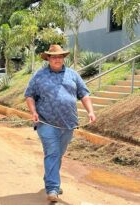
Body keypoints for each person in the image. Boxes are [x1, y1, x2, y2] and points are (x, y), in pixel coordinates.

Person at [24, 45, 96, 202]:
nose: (57, 59)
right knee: (53, 153)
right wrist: (33, 111)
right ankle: (52, 188)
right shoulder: (39, 75)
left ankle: (50, 178)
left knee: (58, 154)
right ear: (48, 58)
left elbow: (83, 94)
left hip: (68, 124)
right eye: (53, 57)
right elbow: (29, 95)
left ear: (64, 58)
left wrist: (90, 111)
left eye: (60, 56)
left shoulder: (72, 75)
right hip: (46, 122)